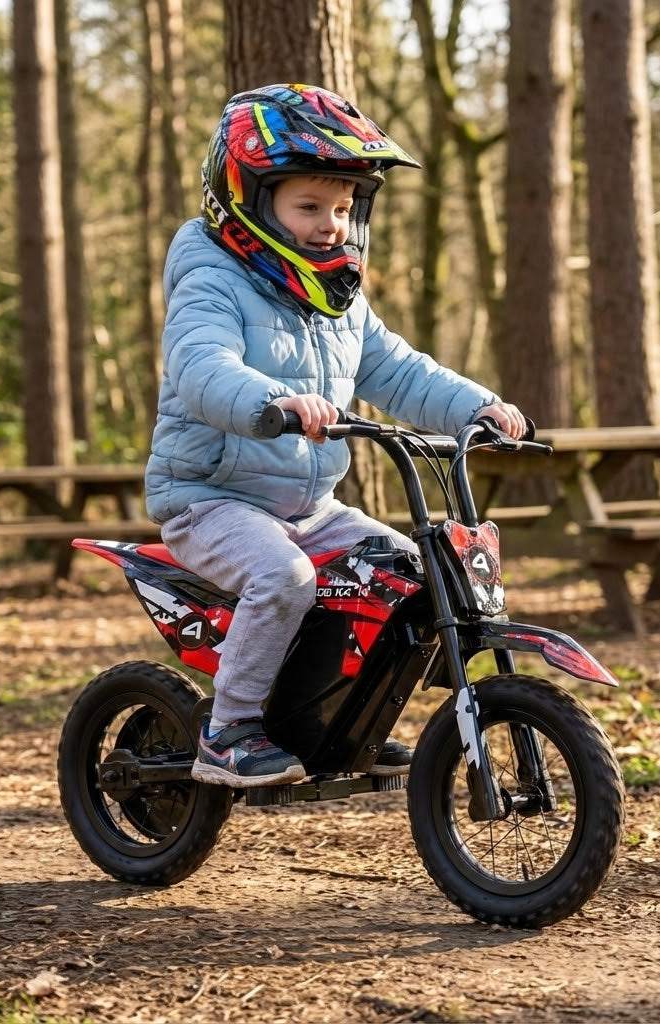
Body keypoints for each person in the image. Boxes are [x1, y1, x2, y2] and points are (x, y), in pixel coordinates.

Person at [145, 84, 525, 787]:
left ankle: (325, 722)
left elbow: (400, 372)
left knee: (408, 566)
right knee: (282, 575)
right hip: (209, 497)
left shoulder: (338, 298)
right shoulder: (211, 278)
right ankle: (227, 732)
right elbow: (201, 366)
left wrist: (483, 407)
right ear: (250, 203)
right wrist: (274, 399)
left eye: (345, 208)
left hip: (307, 506)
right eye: (309, 206)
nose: (330, 225)